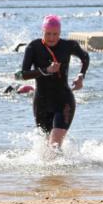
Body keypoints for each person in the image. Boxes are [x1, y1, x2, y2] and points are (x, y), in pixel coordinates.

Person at [16, 15, 90, 148]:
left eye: (55, 34)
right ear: (42, 31)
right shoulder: (34, 47)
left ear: (60, 33)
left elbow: (85, 57)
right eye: (48, 34)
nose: (51, 38)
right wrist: (46, 70)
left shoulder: (68, 45)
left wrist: (81, 76)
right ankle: (56, 168)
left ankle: (62, 167)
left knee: (54, 145)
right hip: (41, 102)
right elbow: (23, 74)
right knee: (45, 148)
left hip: (64, 101)